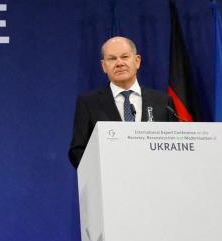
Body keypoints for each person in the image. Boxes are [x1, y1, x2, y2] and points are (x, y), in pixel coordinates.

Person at [68, 35, 178, 168]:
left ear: (137, 61)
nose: (119, 63)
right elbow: (78, 151)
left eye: (125, 57)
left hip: (155, 180)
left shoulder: (163, 101)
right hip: (110, 183)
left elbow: (174, 146)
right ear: (104, 66)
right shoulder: (88, 102)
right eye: (112, 58)